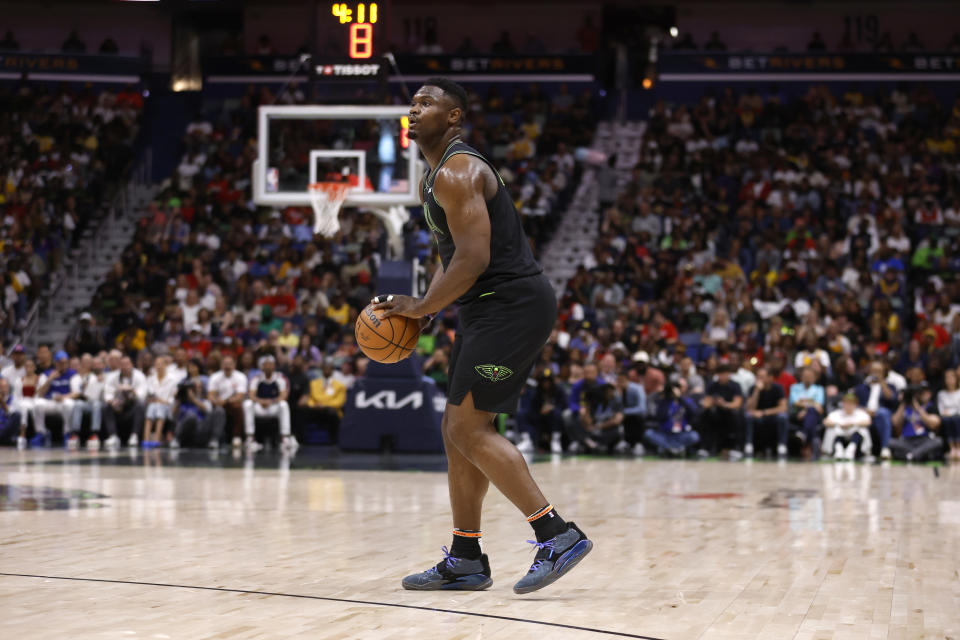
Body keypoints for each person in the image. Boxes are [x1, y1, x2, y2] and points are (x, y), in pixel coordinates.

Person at [372, 78, 592, 594]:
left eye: (426, 104)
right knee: (457, 432)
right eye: (412, 103)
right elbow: (452, 256)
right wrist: (430, 309)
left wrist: (424, 305)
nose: (414, 109)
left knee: (470, 430)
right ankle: (466, 557)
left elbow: (475, 258)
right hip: (484, 310)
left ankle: (556, 533)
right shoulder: (436, 175)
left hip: (510, 307)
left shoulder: (458, 169)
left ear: (454, 118)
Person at [242, 355, 296, 451]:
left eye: (270, 364)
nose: (268, 367)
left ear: (274, 366)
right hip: (260, 407)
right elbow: (251, 395)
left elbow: (284, 395)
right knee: (247, 404)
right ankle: (250, 438)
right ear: (261, 367)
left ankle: (285, 438)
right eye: (265, 365)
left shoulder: (281, 378)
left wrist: (271, 401)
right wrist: (261, 401)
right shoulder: (256, 378)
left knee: (284, 405)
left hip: (273, 407)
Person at [852, 361, 898, 460]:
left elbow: (891, 399)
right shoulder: (862, 387)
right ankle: (855, 450)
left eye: (879, 371)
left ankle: (885, 448)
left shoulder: (890, 386)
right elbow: (854, 403)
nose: (875, 374)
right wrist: (864, 410)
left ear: (884, 373)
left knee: (882, 413)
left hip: (881, 415)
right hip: (864, 414)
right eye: (873, 371)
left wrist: (882, 383)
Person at [699, 364, 744, 459]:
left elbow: (737, 404)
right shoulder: (712, 385)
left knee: (735, 414)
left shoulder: (735, 386)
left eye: (725, 374)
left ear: (729, 374)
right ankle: (705, 447)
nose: (722, 376)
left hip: (729, 413)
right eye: (720, 374)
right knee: (705, 413)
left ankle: (736, 447)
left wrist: (724, 404)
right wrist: (713, 402)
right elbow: (705, 403)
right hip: (716, 413)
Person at [296, 358, 347, 442]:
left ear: (332, 370)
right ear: (322, 369)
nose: (327, 370)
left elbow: (339, 402)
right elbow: (310, 398)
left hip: (329, 410)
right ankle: (300, 440)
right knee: (301, 411)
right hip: (315, 410)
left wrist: (324, 405)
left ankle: (333, 440)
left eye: (329, 368)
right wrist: (313, 405)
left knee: (332, 412)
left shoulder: (340, 386)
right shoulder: (313, 383)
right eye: (325, 368)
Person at [889, 383, 943, 462]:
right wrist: (904, 402)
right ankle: (917, 455)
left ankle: (911, 455)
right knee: (890, 442)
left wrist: (917, 406)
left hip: (924, 440)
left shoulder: (930, 407)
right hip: (906, 440)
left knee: (938, 441)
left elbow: (934, 424)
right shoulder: (904, 408)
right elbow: (894, 422)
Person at [644, 381, 700, 456]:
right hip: (665, 434)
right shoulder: (663, 402)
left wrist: (679, 398)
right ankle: (676, 449)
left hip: (681, 434)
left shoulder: (686, 401)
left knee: (694, 436)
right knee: (649, 433)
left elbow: (694, 413)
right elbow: (660, 417)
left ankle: (669, 449)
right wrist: (666, 399)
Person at [35, 350, 78, 448]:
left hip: (62, 402)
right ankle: (41, 433)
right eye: (60, 362)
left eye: (65, 362)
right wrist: (50, 379)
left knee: (69, 404)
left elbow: (76, 393)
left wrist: (63, 397)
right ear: (55, 363)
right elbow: (40, 394)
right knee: (38, 403)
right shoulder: (46, 374)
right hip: (50, 402)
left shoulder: (73, 374)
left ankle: (67, 433)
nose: (63, 365)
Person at [103, 357, 147, 447]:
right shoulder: (112, 377)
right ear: (119, 365)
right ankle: (113, 436)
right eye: (122, 364)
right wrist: (112, 401)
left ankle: (134, 436)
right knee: (106, 407)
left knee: (140, 406)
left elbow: (142, 396)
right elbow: (107, 394)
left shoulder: (140, 376)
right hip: (118, 406)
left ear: (131, 365)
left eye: (127, 364)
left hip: (132, 407)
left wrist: (131, 390)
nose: (125, 367)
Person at [745, 367, 788, 458]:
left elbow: (783, 407)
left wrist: (764, 412)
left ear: (770, 378)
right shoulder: (753, 388)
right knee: (748, 416)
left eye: (762, 377)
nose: (759, 379)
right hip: (758, 417)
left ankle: (782, 445)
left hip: (772, 416)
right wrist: (756, 391)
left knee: (783, 417)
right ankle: (748, 445)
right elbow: (749, 408)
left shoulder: (778, 388)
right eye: (758, 377)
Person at [208, 355, 248, 449]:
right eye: (225, 364)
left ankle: (236, 437)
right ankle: (215, 439)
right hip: (218, 404)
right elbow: (210, 395)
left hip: (231, 403)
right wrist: (216, 401)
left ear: (234, 365)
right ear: (221, 365)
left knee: (237, 406)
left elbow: (240, 396)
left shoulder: (240, 377)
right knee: (218, 410)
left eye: (230, 364)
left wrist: (225, 401)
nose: (227, 366)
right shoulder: (215, 377)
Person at [69, 355, 107, 451]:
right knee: (78, 404)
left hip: (101, 403)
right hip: (87, 402)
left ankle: (94, 434)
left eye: (98, 364)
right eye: (94, 364)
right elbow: (80, 394)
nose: (96, 366)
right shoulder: (83, 377)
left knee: (96, 404)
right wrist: (85, 388)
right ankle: (75, 434)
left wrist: (102, 382)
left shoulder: (104, 376)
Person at [143, 356, 182, 447]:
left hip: (168, 407)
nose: (159, 366)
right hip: (153, 405)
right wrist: (152, 400)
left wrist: (161, 401)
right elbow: (148, 394)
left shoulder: (172, 380)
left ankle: (157, 438)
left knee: (159, 407)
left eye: (161, 364)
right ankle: (146, 439)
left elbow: (172, 399)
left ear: (165, 365)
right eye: (157, 364)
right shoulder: (151, 379)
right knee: (152, 407)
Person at [822, 393, 873, 461]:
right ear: (843, 404)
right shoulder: (836, 413)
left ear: (856, 404)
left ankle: (851, 451)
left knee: (862, 429)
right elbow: (826, 422)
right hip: (839, 440)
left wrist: (853, 424)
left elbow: (868, 422)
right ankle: (838, 451)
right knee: (832, 430)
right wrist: (839, 424)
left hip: (856, 443)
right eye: (846, 403)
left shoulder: (861, 414)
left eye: (851, 403)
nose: (848, 405)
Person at [788, 367, 825, 458]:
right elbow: (794, 402)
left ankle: (803, 434)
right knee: (812, 410)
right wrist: (811, 403)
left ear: (814, 378)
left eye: (810, 376)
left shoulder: (819, 389)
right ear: (801, 377)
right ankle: (813, 441)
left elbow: (819, 404)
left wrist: (805, 407)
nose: (808, 378)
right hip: (797, 414)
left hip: (813, 414)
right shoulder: (794, 387)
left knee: (811, 412)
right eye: (805, 376)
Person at [937, 369, 960, 461]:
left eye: (952, 378)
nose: (949, 380)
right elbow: (941, 409)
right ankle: (952, 448)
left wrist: (950, 412)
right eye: (947, 378)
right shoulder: (941, 394)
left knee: (956, 419)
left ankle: (958, 447)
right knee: (947, 420)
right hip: (946, 417)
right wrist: (945, 413)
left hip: (957, 416)